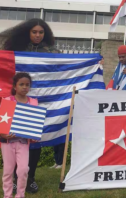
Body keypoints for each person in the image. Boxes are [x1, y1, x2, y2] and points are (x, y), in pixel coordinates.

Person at [3, 18, 60, 193]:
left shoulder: (52, 51)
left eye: (41, 32)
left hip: (39, 100)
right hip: (16, 102)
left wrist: (94, 63)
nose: (37, 35)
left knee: (33, 142)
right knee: (12, 139)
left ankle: (31, 178)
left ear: (46, 34)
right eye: (34, 32)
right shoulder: (17, 48)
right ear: (28, 32)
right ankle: (13, 180)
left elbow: (66, 65)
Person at [0, 72, 38, 198]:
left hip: (23, 143)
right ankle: (7, 195)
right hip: (8, 142)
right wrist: (2, 133)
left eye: (27, 85)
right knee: (8, 170)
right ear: (15, 86)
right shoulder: (7, 101)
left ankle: (20, 194)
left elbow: (34, 123)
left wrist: (34, 135)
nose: (24, 87)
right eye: (21, 84)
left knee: (23, 170)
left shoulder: (33, 102)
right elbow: (2, 122)